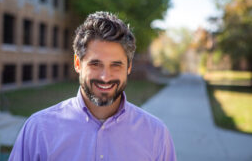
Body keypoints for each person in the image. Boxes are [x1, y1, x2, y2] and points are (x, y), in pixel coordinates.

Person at [9, 11, 176, 161]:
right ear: (77, 63)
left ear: (129, 67)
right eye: (95, 64)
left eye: (116, 65)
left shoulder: (156, 135)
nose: (105, 77)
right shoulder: (39, 130)